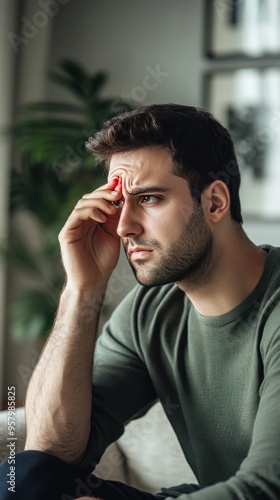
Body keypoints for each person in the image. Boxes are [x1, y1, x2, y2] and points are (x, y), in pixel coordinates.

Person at [1, 104, 280, 500]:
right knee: (28, 479)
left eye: (148, 198)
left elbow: (266, 489)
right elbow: (50, 452)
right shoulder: (148, 312)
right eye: (118, 203)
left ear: (215, 202)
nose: (123, 226)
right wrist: (81, 290)